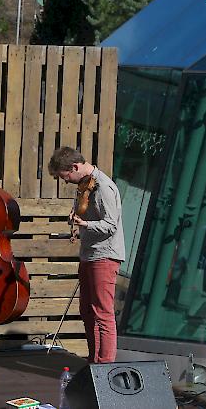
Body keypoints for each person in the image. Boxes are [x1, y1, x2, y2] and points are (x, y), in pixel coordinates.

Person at [47, 147, 125, 363]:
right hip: (89, 254)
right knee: (87, 310)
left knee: (103, 313)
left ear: (75, 167)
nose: (66, 181)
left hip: (105, 255)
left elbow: (111, 225)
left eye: (66, 176)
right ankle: (94, 361)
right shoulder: (85, 185)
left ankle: (106, 366)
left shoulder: (104, 187)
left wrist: (85, 223)